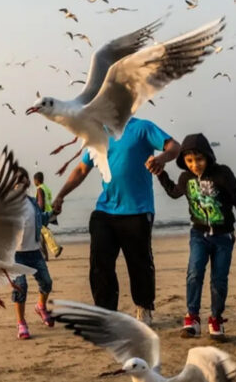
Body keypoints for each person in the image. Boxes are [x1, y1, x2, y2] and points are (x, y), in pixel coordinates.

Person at [52, 117, 180, 325]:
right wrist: (61, 195)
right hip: (106, 209)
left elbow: (175, 146)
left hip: (137, 210)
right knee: (99, 264)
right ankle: (105, 313)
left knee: (139, 264)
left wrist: (161, 159)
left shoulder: (142, 128)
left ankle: (144, 307)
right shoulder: (98, 135)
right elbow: (82, 169)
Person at [155, 133, 236, 340]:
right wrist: (161, 174)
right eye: (189, 160)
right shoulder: (186, 178)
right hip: (198, 235)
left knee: (218, 280)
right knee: (194, 273)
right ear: (184, 161)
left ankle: (216, 318)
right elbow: (174, 192)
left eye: (199, 159)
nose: (195, 165)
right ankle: (192, 318)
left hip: (223, 237)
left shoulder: (223, 174)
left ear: (209, 157)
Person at [13, 167, 55, 340]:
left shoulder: (32, 203)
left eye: (23, 180)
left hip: (34, 252)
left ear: (28, 183)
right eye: (16, 181)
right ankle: (21, 323)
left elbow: (42, 219)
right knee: (21, 287)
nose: (20, 184)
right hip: (15, 255)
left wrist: (54, 212)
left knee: (46, 282)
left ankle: (40, 306)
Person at [33, 172, 63, 260]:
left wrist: (39, 214)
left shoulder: (39, 189)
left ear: (36, 180)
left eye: (34, 180)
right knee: (43, 233)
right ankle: (51, 251)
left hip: (43, 213)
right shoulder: (46, 188)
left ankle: (52, 251)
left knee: (40, 233)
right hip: (49, 212)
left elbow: (41, 203)